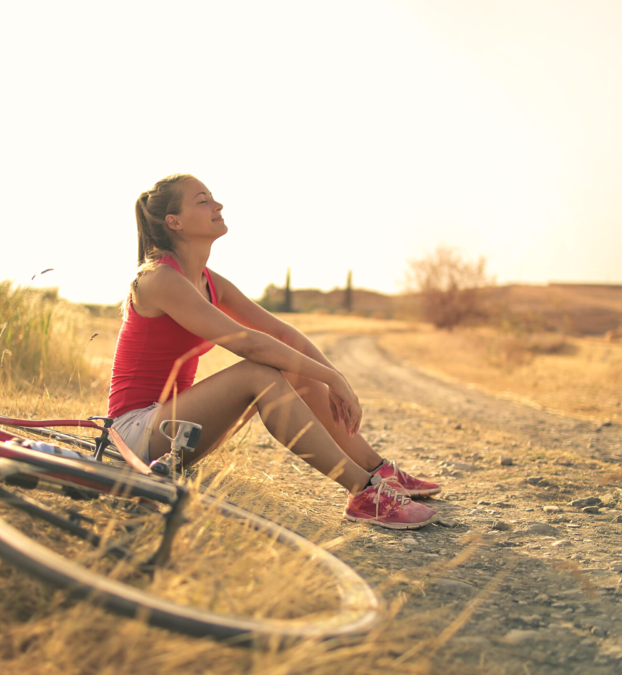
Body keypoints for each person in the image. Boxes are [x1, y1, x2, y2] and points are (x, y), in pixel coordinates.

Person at [107, 173, 440, 529]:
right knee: (259, 371)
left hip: (177, 431)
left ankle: (378, 470)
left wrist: (334, 378)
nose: (217, 205)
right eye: (202, 200)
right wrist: (329, 376)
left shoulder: (208, 280)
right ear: (174, 222)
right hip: (134, 434)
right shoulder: (158, 279)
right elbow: (248, 342)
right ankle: (363, 492)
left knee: (294, 365)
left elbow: (280, 332)